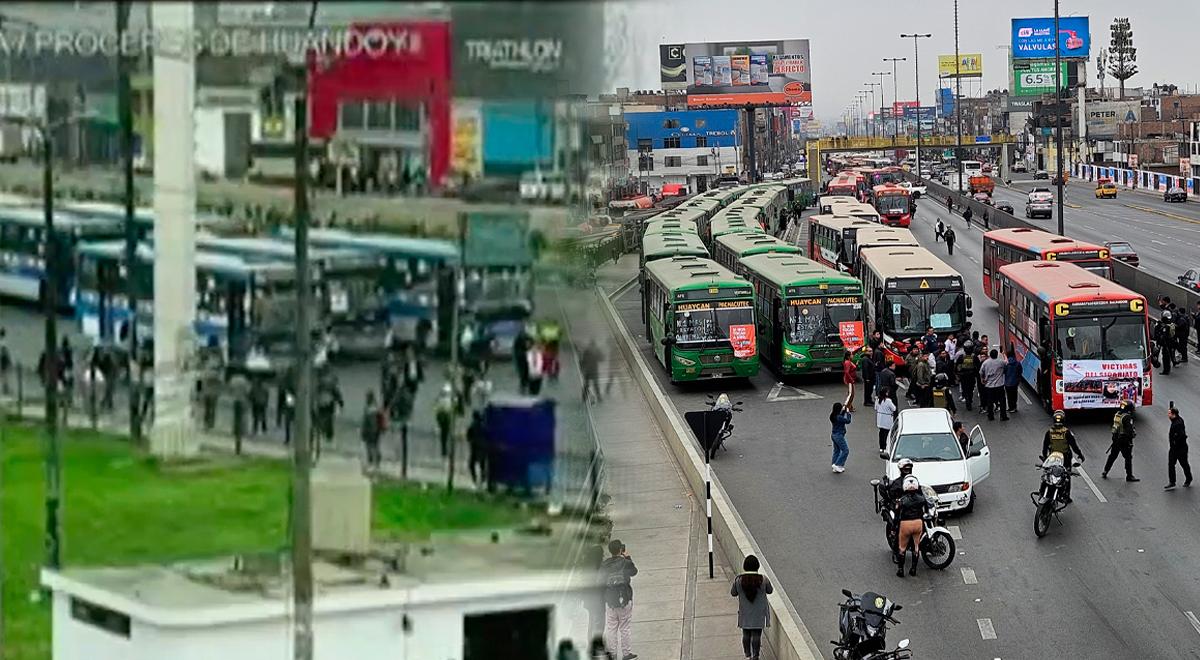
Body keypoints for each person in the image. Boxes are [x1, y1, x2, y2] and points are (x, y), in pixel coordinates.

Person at [731, 555, 774, 660]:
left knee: (746, 634)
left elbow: (733, 593)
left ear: (745, 566)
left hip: (745, 613)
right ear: (757, 566)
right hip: (759, 614)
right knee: (756, 635)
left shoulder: (739, 580)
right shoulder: (763, 579)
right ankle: (755, 655)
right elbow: (770, 590)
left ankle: (747, 655)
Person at [601, 539, 638, 660]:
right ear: (621, 550)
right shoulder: (625, 563)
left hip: (610, 601)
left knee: (611, 628)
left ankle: (613, 654)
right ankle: (626, 653)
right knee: (624, 627)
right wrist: (628, 558)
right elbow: (634, 572)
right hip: (624, 598)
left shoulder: (605, 565)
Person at [1041, 410, 1084, 501]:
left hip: (1053, 458)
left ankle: (1042, 492)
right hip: (1064, 458)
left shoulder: (1050, 432)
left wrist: (1045, 457)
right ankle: (1066, 496)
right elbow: (1074, 446)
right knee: (1066, 476)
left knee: (1048, 474)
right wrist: (1080, 454)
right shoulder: (1066, 432)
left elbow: (1045, 447)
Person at [894, 476, 926, 578]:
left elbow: (896, 515)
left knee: (902, 548)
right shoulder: (921, 499)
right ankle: (913, 569)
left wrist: (894, 527)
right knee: (916, 547)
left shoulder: (902, 501)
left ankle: (900, 570)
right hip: (918, 523)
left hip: (905, 524)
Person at [1103, 399, 1139, 481]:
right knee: (1128, 458)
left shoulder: (1117, 415)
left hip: (1115, 440)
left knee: (1112, 456)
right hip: (1124, 441)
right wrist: (1131, 436)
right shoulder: (1127, 417)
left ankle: (1105, 471)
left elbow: (1113, 426)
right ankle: (1129, 476)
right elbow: (1129, 430)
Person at [1167, 405, 1192, 490]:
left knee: (1184, 464)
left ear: (1174, 414)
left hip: (1180, 449)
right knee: (1171, 464)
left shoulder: (1178, 423)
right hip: (1174, 448)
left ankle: (1189, 479)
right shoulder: (1175, 419)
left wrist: (1175, 441)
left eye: (1169, 413)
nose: (1168, 415)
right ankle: (1172, 482)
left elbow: (1182, 436)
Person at [979, 349, 1009, 421]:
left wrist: (982, 379)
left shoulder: (986, 363)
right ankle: (1003, 416)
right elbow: (1006, 364)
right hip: (999, 385)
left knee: (990, 401)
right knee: (1002, 401)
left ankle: (990, 416)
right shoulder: (1000, 362)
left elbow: (981, 372)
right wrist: (1004, 355)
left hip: (989, 386)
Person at [361, 390, 385, 470]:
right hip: (376, 430)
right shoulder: (377, 408)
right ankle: (377, 463)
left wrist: (363, 432)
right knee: (376, 446)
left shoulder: (368, 409)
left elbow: (365, 422)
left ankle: (371, 462)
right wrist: (382, 429)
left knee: (370, 447)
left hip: (370, 431)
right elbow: (381, 419)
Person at [829, 395, 853, 473]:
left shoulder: (833, 416)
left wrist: (844, 410)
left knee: (836, 451)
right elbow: (848, 421)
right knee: (845, 450)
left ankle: (835, 465)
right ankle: (838, 464)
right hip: (839, 435)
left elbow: (841, 416)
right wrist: (848, 413)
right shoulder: (839, 417)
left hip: (834, 435)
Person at [229, 372, 250, 455]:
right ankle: (240, 436)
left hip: (235, 401)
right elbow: (247, 391)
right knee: (242, 419)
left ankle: (236, 431)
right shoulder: (245, 381)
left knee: (236, 419)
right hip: (242, 401)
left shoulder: (233, 380)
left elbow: (230, 389)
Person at [467, 409, 489, 486]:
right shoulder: (484, 426)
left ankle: (475, 479)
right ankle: (483, 479)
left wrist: (471, 440)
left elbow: (468, 437)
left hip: (475, 447)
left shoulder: (472, 426)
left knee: (471, 464)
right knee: (482, 464)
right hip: (483, 447)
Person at [435, 383, 457, 458]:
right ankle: (447, 451)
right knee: (446, 436)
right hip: (446, 419)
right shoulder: (447, 399)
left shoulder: (442, 399)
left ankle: (446, 451)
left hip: (445, 418)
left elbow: (437, 410)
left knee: (445, 436)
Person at [955, 340, 979, 411]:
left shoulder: (961, 357)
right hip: (971, 376)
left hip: (963, 376)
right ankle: (969, 399)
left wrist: (957, 375)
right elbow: (978, 367)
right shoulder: (974, 357)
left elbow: (957, 367)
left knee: (965, 389)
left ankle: (967, 399)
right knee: (971, 389)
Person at [581, 340, 603, 404]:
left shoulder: (587, 352)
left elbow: (583, 361)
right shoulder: (594, 352)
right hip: (593, 371)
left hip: (589, 371)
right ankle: (598, 398)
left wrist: (582, 369)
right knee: (595, 385)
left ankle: (584, 398)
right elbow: (601, 359)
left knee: (587, 385)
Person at [513, 323, 534, 393]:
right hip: (524, 356)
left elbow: (515, 348)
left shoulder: (519, 338)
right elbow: (532, 343)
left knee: (523, 370)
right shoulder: (527, 337)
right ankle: (525, 383)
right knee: (525, 369)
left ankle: (523, 384)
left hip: (522, 356)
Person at [1004, 349, 1021, 413]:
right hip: (1014, 382)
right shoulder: (1017, 363)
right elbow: (1020, 372)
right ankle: (1014, 407)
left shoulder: (1006, 364)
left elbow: (1004, 371)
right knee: (1014, 395)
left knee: (1009, 395)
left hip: (1007, 382)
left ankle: (1010, 407)